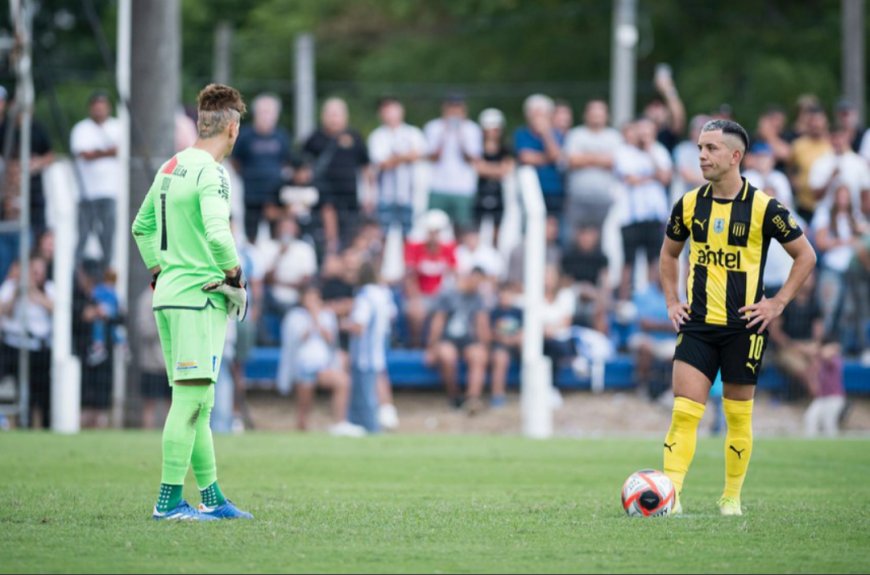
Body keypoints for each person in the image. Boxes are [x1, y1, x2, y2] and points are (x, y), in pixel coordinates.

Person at [660, 119, 816, 516]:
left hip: (744, 327)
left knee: (737, 416)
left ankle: (731, 497)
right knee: (684, 412)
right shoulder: (690, 203)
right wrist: (672, 301)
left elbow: (806, 255)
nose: (701, 156)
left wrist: (776, 303)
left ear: (735, 156)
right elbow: (668, 254)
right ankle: (670, 495)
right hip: (697, 324)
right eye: (699, 148)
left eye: (711, 148)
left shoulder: (765, 207)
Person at [131, 83, 253, 521]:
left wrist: (160, 271)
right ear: (233, 128)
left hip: (169, 299)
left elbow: (141, 227)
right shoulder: (213, 173)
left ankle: (213, 497)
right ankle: (167, 503)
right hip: (199, 300)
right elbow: (220, 235)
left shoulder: (171, 165)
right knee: (189, 402)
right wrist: (234, 275)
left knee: (197, 399)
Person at [230, 92, 294, 244]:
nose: (266, 116)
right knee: (250, 234)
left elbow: (287, 161)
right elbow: (235, 161)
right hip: (251, 193)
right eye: (262, 112)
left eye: (269, 112)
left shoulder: (281, 137)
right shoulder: (245, 136)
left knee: (275, 235)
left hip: (274, 195)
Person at [71, 90, 122, 271]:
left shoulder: (117, 127)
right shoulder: (81, 129)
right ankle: (76, 275)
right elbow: (85, 154)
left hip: (109, 192)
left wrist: (98, 152)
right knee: (83, 236)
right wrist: (108, 151)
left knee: (107, 237)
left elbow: (120, 151)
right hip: (86, 193)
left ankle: (105, 273)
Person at [367, 96, 426, 236]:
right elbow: (382, 163)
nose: (391, 114)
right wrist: (405, 156)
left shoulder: (413, 133)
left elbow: (418, 155)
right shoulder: (377, 136)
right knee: (383, 235)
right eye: (387, 111)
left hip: (409, 195)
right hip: (385, 195)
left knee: (409, 235)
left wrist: (394, 158)